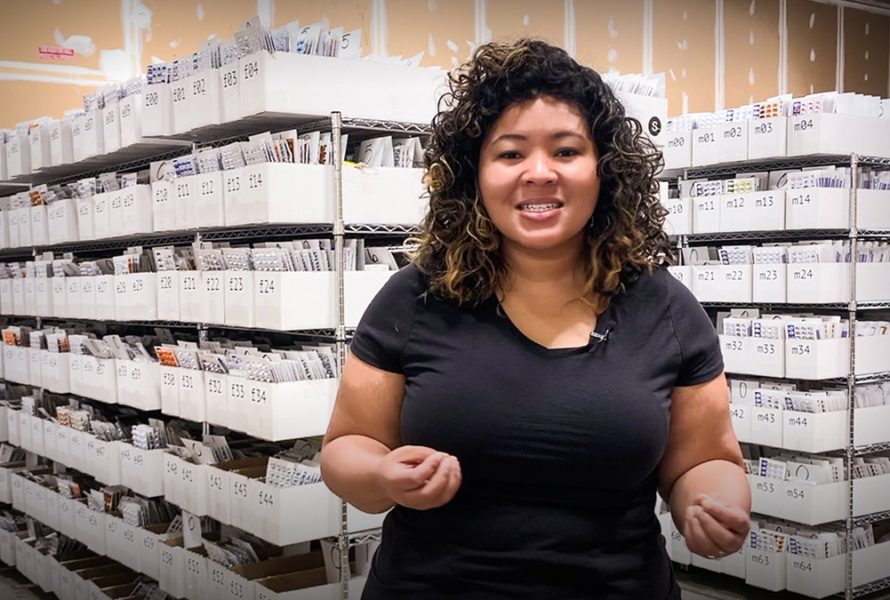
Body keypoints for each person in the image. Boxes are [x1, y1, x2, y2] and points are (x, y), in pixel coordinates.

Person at [320, 38, 751, 599]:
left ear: (605, 169)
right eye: (511, 153)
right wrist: (381, 476)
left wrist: (709, 502)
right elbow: (346, 447)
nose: (539, 173)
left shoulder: (665, 309)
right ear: (474, 174)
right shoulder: (414, 299)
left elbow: (708, 459)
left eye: (567, 151)